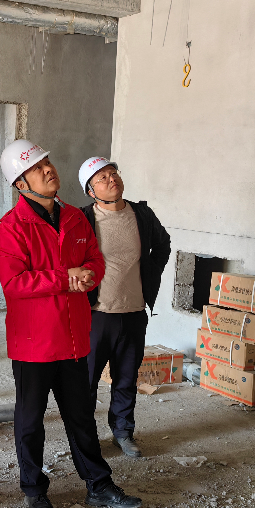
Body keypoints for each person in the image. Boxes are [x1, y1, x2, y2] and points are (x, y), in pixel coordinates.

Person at [0, 139, 142, 508]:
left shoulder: (74, 217)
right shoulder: (12, 227)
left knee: (81, 416)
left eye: (47, 161)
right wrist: (65, 278)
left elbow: (95, 259)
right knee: (30, 421)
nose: (48, 169)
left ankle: (99, 484)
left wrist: (89, 275)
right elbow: (14, 283)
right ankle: (34, 490)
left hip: (74, 338)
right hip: (34, 343)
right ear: (20, 184)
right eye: (36, 167)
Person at [78, 157, 171, 458]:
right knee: (86, 381)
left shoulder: (141, 214)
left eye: (113, 173)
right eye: (102, 178)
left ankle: (123, 431)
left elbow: (163, 244)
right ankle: (85, 439)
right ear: (91, 191)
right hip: (96, 314)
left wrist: (151, 272)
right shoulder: (82, 219)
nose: (111, 179)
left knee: (127, 378)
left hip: (133, 312)